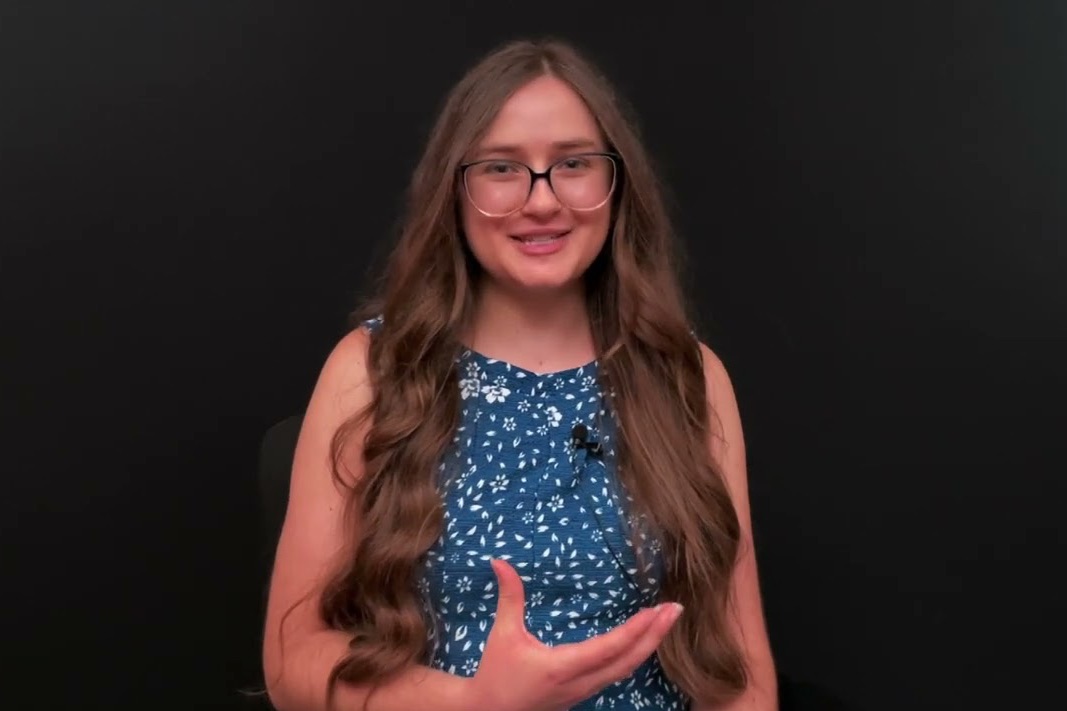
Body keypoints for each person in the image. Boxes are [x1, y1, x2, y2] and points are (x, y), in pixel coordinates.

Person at [262, 37, 777, 711]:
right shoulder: (370, 371)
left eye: (573, 164)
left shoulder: (689, 376)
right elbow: (293, 657)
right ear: (454, 189)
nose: (541, 201)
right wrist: (475, 702)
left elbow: (740, 672)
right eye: (501, 168)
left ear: (616, 183)